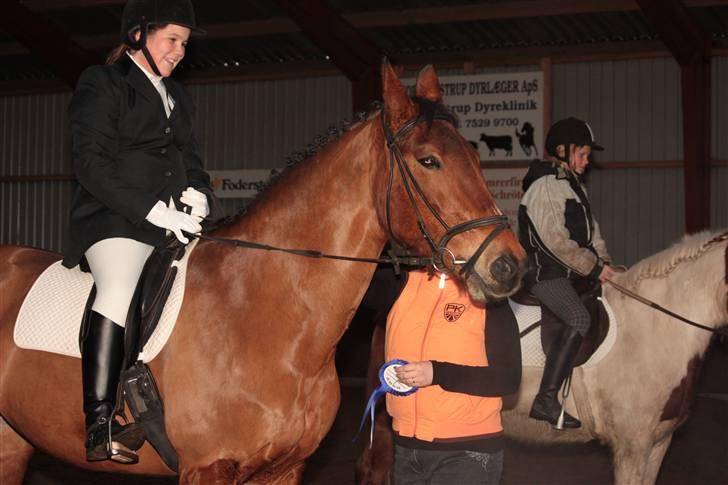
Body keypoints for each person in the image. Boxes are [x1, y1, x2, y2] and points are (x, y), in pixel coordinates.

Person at [61, 0, 216, 464]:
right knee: (119, 285)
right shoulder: (103, 84)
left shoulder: (177, 97)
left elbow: (189, 160)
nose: (180, 52)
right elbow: (91, 164)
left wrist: (201, 192)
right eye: (172, 40)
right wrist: (152, 210)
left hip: (170, 222)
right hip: (113, 219)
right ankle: (100, 421)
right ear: (137, 37)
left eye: (185, 44)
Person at [518, 117, 614, 429]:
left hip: (575, 273)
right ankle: (545, 398)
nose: (587, 161)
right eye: (583, 154)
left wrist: (608, 267)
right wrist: (595, 268)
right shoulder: (545, 186)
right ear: (563, 150)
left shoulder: (574, 187)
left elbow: (593, 236)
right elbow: (555, 241)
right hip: (547, 273)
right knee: (579, 318)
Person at [385, 269, 522, 485]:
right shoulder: (402, 282)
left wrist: (437, 373)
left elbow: (508, 378)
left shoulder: (488, 296)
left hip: (467, 453)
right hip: (405, 449)